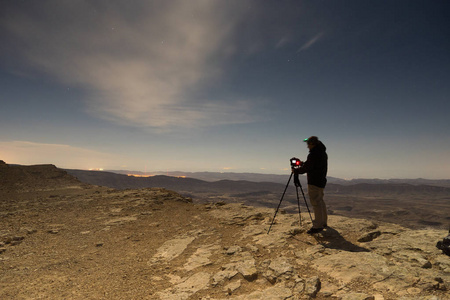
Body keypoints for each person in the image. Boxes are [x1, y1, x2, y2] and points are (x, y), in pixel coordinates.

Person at [294, 136, 328, 234]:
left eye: (308, 144)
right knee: (320, 201)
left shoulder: (314, 154)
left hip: (314, 181)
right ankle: (323, 222)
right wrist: (303, 163)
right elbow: (313, 165)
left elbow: (307, 168)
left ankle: (317, 226)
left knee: (316, 203)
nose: (307, 146)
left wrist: (296, 170)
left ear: (312, 144)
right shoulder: (322, 152)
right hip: (321, 180)